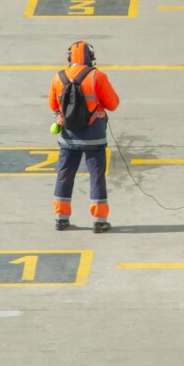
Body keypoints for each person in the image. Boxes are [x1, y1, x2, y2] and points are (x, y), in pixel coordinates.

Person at [48, 41, 120, 232]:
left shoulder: (58, 78)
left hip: (68, 138)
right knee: (96, 177)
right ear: (91, 57)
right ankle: (99, 221)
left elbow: (53, 106)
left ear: (69, 58)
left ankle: (61, 219)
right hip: (94, 137)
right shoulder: (98, 76)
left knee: (64, 175)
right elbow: (113, 104)